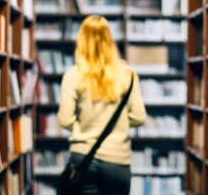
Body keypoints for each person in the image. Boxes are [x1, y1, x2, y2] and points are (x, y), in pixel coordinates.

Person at [57, 15, 146, 195]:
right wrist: (118, 126)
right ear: (109, 41)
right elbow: (139, 117)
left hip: (83, 159)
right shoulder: (127, 74)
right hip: (117, 162)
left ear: (81, 41)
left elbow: (64, 119)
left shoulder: (73, 75)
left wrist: (84, 129)